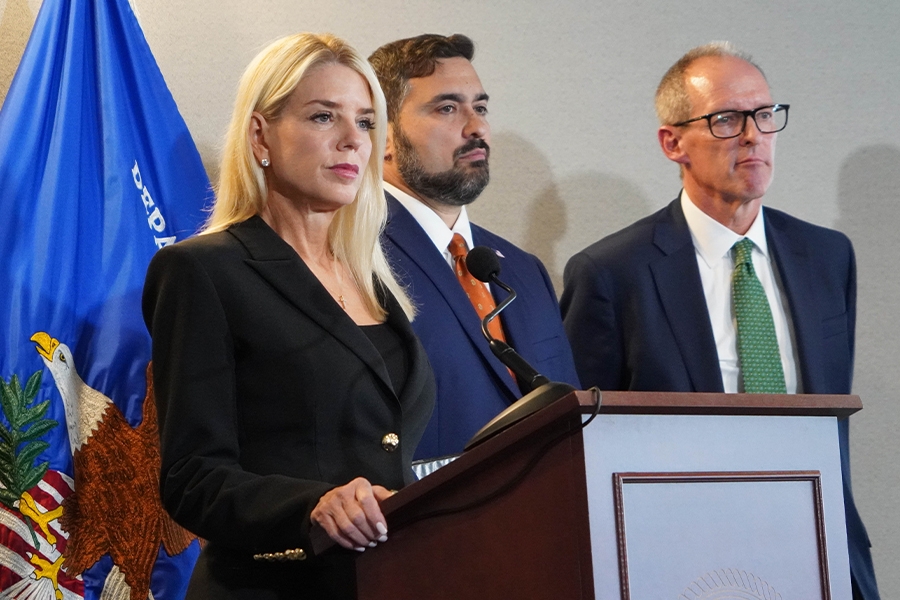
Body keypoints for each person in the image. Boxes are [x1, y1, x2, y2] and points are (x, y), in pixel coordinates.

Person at [561, 42, 878, 599]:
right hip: (679, 558)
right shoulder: (612, 273)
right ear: (672, 142)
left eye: (764, 115)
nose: (755, 135)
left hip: (823, 547)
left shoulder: (828, 257)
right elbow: (582, 447)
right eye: (727, 119)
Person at [142, 33, 435, 600]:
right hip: (271, 586)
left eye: (368, 122)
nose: (354, 140)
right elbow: (192, 478)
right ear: (260, 136)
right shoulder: (202, 271)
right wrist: (313, 507)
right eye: (325, 116)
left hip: (387, 581)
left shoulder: (376, 281)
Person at [368, 34, 580, 461]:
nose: (477, 128)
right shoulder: (356, 261)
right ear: (383, 136)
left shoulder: (522, 269)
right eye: (447, 108)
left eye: (479, 108)